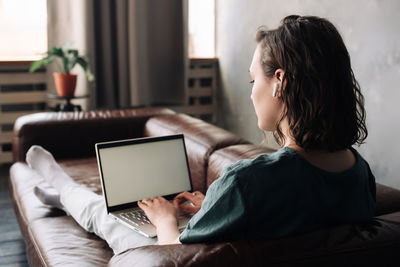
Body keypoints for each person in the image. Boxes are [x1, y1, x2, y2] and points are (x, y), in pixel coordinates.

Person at [28, 14, 376, 254]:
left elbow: (178, 255)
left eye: (255, 80)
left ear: (280, 82)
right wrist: (212, 206)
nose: (251, 91)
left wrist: (166, 220)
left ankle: (63, 187)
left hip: (163, 252)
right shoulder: (360, 173)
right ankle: (62, 194)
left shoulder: (248, 181)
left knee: (104, 216)